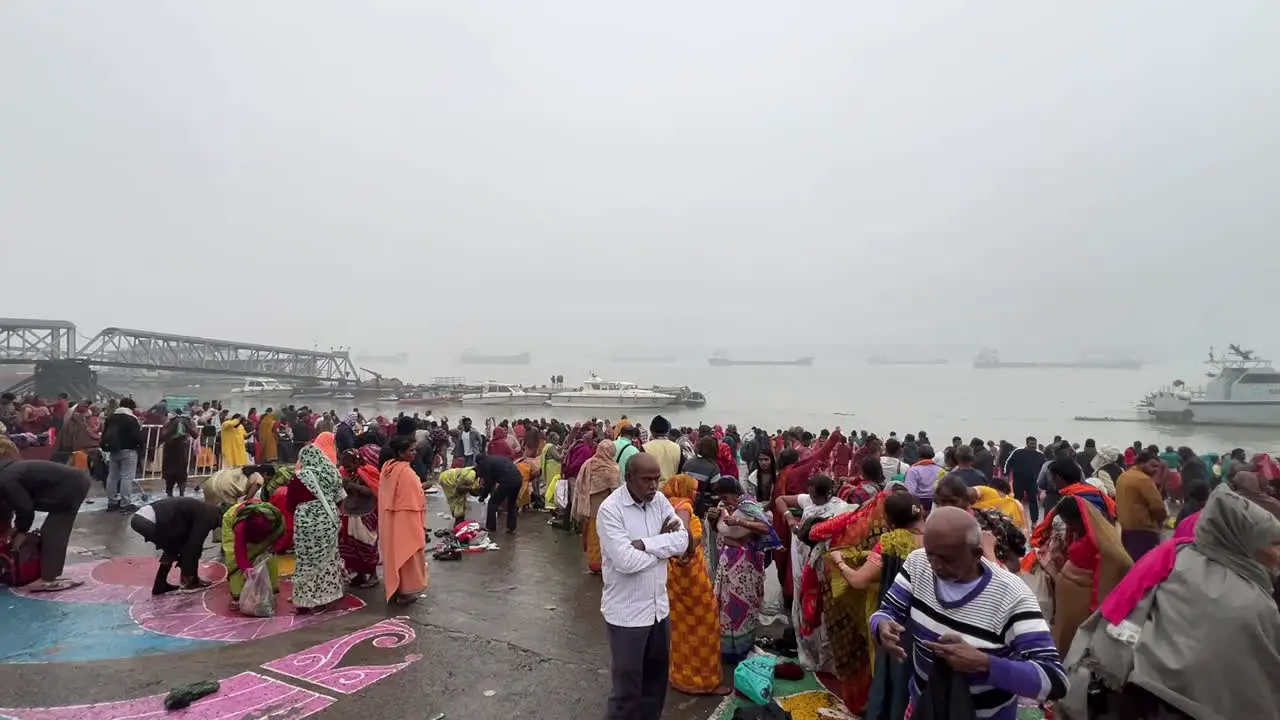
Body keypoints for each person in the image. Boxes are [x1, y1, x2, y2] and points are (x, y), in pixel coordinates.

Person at [1060, 488, 1280, 719]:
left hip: (1139, 691)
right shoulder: (1251, 601)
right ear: (1242, 541)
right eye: (1275, 543)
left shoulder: (1175, 555)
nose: (1278, 552)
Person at [870, 507, 1067, 720]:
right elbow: (889, 610)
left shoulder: (1013, 597)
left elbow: (1054, 680)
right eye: (931, 555)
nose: (936, 566)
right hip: (924, 707)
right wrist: (881, 625)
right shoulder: (918, 563)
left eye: (947, 559)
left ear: (977, 554)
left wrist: (984, 663)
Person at [596, 453, 689, 720]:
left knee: (655, 686)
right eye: (647, 479)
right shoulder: (611, 510)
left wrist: (646, 544)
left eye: (657, 479)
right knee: (627, 691)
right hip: (627, 615)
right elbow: (625, 561)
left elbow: (682, 540)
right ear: (628, 478)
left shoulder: (659, 501)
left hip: (659, 610)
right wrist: (663, 546)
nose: (653, 485)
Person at [659, 474, 728, 696]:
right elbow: (683, 537)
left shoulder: (665, 503)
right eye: (694, 488)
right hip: (689, 575)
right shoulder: (684, 505)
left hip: (675, 573)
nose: (696, 493)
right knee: (705, 622)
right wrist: (690, 548)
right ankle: (704, 681)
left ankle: (682, 676)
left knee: (681, 626)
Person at [1039, 492, 1131, 652]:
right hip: (1068, 601)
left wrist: (1099, 598)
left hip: (1083, 602)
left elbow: (1121, 562)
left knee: (1077, 641)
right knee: (1065, 636)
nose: (1069, 526)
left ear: (1081, 518)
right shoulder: (1076, 532)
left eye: (1071, 522)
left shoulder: (1101, 540)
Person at [775, 474, 849, 672]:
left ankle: (825, 656)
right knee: (803, 602)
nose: (810, 496)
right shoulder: (807, 500)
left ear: (826, 495)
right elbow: (780, 500)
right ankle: (807, 647)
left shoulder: (841, 507)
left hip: (822, 564)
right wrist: (790, 518)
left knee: (821, 607)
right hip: (802, 559)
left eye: (814, 494)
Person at [708, 475, 782, 662]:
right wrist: (714, 521)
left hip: (745, 564)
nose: (724, 502)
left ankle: (742, 646)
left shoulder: (748, 506)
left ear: (735, 493)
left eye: (726, 497)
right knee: (727, 605)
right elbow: (722, 532)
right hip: (729, 564)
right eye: (722, 499)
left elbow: (765, 528)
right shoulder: (728, 508)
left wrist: (739, 522)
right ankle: (729, 649)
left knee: (743, 605)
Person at [0, 459, 91, 592]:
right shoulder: (7, 473)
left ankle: (47, 579)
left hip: (71, 487)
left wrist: (21, 531)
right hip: (72, 483)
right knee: (52, 531)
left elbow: (24, 507)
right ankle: (48, 576)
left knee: (54, 532)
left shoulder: (5, 480)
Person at [288, 444, 347, 613]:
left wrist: (306, 512)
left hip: (306, 522)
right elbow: (341, 497)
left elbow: (290, 503)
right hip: (327, 520)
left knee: (306, 561)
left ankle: (304, 602)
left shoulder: (298, 478)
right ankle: (324, 600)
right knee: (327, 560)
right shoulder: (331, 474)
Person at [130, 496, 221, 595]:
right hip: (148, 521)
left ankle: (161, 584)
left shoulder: (205, 509)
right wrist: (190, 572)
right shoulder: (209, 515)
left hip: (141, 517)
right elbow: (194, 546)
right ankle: (189, 581)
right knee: (177, 548)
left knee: (173, 547)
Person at [379, 435, 428, 605]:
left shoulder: (387, 467)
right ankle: (404, 591)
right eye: (411, 450)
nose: (414, 453)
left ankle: (395, 589)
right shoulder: (406, 472)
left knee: (394, 554)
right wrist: (423, 488)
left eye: (415, 449)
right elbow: (414, 499)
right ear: (400, 452)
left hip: (390, 517)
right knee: (407, 554)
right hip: (405, 518)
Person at [221, 498, 285, 606]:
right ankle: (238, 593)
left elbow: (281, 533)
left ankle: (271, 588)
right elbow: (239, 549)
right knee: (233, 558)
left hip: (263, 526)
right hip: (233, 518)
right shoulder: (240, 527)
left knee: (269, 555)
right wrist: (246, 567)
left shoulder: (276, 519)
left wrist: (275, 547)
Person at [573, 439, 621, 574]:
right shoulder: (612, 468)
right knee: (604, 536)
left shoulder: (588, 464)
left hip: (589, 506)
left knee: (592, 536)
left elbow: (579, 485)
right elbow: (616, 491)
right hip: (605, 508)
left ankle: (593, 563)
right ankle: (601, 564)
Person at [337, 446, 381, 589]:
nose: (347, 467)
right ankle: (359, 574)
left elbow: (373, 491)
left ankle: (373, 575)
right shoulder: (344, 473)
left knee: (367, 545)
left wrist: (354, 486)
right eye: (344, 464)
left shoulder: (367, 471)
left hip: (365, 514)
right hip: (349, 513)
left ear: (357, 461)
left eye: (349, 464)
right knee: (351, 547)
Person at [1115, 451, 1167, 562]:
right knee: (1146, 564)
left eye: (1157, 467)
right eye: (1152, 466)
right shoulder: (1144, 479)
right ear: (1141, 463)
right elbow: (1158, 507)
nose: (1156, 470)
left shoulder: (1123, 476)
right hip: (1143, 530)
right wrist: (1159, 522)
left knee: (1131, 562)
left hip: (1125, 528)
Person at [101, 397, 144, 511]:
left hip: (113, 450)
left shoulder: (111, 418)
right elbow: (137, 436)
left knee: (112, 477)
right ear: (131, 408)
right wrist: (142, 445)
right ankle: (125, 503)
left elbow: (104, 434)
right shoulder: (131, 419)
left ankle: (112, 502)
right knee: (126, 477)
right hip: (129, 450)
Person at [475, 453, 523, 534]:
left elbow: (488, 483)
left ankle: (491, 528)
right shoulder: (494, 459)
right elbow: (493, 480)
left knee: (492, 503)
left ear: (480, 461)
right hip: (518, 479)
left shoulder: (485, 463)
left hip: (507, 481)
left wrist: (483, 496)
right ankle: (511, 527)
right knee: (511, 504)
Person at [1004, 436, 1047, 522]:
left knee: (1033, 502)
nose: (1033, 446)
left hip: (1033, 482)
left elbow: (1044, 468)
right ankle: (1015, 518)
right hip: (1019, 480)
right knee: (1017, 500)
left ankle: (1034, 521)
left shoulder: (1040, 455)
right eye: (1031, 444)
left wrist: (1042, 482)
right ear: (1027, 443)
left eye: (1035, 444)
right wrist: (1005, 474)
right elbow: (1008, 463)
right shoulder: (1018, 452)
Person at [159, 414, 197, 497]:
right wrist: (174, 426)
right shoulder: (170, 422)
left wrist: (186, 425)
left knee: (181, 472)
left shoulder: (188, 421)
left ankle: (181, 494)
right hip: (171, 449)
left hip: (181, 449)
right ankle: (170, 494)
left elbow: (195, 435)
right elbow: (163, 436)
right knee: (170, 473)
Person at [903, 444, 942, 511]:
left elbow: (911, 492)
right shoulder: (940, 470)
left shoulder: (913, 470)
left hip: (919, 504)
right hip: (937, 505)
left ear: (918, 455)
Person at [643, 416, 682, 482]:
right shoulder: (678, 448)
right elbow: (680, 472)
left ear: (651, 431)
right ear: (668, 431)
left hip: (651, 489)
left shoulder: (645, 448)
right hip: (672, 489)